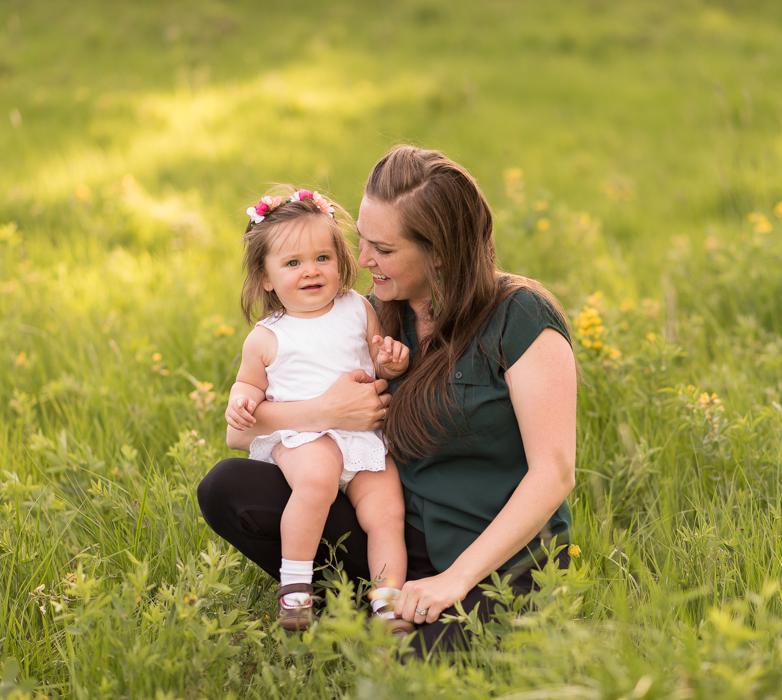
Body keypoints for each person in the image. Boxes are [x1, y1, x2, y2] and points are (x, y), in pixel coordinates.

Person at [197, 146, 577, 655]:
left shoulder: (520, 317)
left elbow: (554, 473)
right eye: (362, 243)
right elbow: (240, 433)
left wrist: (455, 580)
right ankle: (377, 607)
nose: (364, 261)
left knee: (419, 673)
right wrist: (323, 412)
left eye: (384, 249)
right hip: (397, 537)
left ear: (440, 251)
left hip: (493, 558)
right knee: (229, 487)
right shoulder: (372, 314)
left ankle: (398, 620)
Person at [223, 185, 412, 633]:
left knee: (387, 511)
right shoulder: (268, 336)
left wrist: (389, 360)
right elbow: (247, 385)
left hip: (363, 438)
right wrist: (241, 400)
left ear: (340, 261)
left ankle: (388, 604)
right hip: (305, 438)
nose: (310, 271)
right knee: (317, 479)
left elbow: (377, 354)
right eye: (292, 263)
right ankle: (295, 590)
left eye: (322, 258)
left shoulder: (357, 307)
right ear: (266, 277)